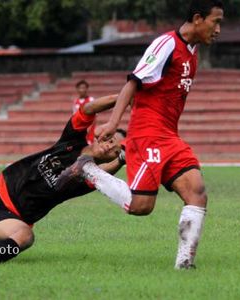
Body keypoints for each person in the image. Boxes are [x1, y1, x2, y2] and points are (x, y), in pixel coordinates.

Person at [63, 0, 224, 269]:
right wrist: (114, 123)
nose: (219, 29)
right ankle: (88, 170)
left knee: (197, 193)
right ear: (198, 18)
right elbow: (133, 83)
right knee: (141, 206)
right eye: (216, 21)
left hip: (169, 136)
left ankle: (184, 264)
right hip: (147, 135)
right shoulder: (167, 44)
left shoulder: (192, 51)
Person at [0, 94, 126, 268]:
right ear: (103, 136)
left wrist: (122, 159)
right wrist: (125, 97)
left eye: (115, 151)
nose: (110, 147)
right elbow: (88, 109)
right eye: (111, 141)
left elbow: (106, 174)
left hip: (11, 216)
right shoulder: (71, 140)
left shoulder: (88, 176)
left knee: (25, 237)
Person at [73, 80, 96, 144]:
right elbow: (74, 116)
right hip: (79, 129)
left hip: (89, 128)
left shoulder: (91, 100)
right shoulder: (76, 102)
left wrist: (90, 127)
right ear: (77, 89)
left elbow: (95, 116)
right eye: (80, 88)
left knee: (89, 145)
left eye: (84, 88)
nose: (82, 90)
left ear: (87, 89)